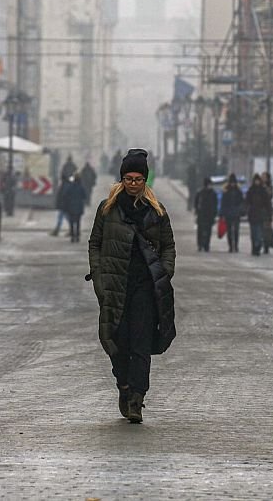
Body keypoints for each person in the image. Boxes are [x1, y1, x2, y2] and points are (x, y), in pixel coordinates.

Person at [87, 149, 176, 423]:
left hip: (145, 289)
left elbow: (169, 246)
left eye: (138, 178)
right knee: (117, 343)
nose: (133, 183)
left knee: (140, 344)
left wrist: (164, 273)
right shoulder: (108, 209)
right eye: (128, 178)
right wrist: (99, 276)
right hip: (115, 286)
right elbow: (95, 244)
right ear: (122, 179)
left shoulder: (156, 212)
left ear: (145, 180)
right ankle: (124, 386)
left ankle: (137, 397)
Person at [58, 174, 90, 243]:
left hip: (71, 207)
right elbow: (84, 196)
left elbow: (65, 195)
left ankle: (72, 236)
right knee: (78, 222)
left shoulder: (70, 187)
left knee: (71, 222)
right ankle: (77, 236)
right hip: (79, 207)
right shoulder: (81, 187)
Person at [247, 173, 272, 256]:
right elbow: (247, 202)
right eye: (256, 181)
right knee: (253, 233)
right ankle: (254, 247)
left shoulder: (263, 191)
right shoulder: (251, 190)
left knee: (259, 233)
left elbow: (267, 204)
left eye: (258, 181)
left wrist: (269, 215)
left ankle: (258, 246)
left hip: (260, 215)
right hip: (252, 215)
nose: (257, 182)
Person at [221, 174, 244, 253]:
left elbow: (242, 202)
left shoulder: (238, 191)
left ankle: (236, 246)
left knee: (236, 231)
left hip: (236, 213)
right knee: (230, 231)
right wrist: (222, 214)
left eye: (234, 182)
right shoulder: (226, 191)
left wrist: (241, 210)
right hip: (228, 213)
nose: (233, 184)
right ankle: (231, 246)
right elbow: (223, 204)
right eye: (231, 182)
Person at [194, 177, 218, 251]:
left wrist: (215, 213)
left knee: (208, 231)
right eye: (209, 184)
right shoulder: (200, 193)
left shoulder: (213, 194)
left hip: (210, 215)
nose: (210, 186)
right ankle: (200, 245)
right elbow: (196, 203)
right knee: (200, 231)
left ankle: (207, 245)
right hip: (201, 214)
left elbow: (215, 204)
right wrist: (197, 211)